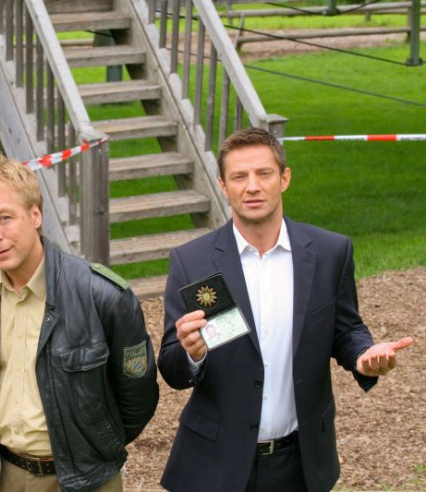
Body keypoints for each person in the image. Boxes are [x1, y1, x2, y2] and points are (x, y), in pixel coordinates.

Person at [158, 127, 413, 492]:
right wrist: (191, 353)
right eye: (239, 177)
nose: (252, 186)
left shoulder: (329, 252)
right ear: (223, 186)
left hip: (300, 464)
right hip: (215, 465)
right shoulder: (192, 261)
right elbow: (171, 367)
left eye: (263, 173)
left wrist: (363, 354)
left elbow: (346, 329)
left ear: (284, 178)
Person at [0, 152, 159, 492]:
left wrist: (94, 449)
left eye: (5, 218)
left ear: (35, 215)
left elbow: (137, 395)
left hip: (86, 480)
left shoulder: (102, 296)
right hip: (6, 475)